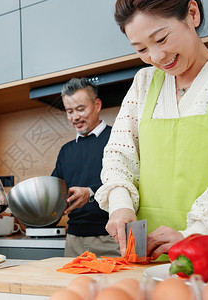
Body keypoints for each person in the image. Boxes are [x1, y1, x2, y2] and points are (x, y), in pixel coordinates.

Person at [95, 0, 208, 260]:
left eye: (161, 39)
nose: (156, 57)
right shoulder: (143, 83)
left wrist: (193, 233)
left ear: (192, 14)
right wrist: (120, 206)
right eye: (141, 49)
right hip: (149, 259)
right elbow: (119, 155)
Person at [52, 77, 120, 257]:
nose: (75, 117)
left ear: (97, 105)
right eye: (69, 111)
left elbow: (132, 181)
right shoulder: (66, 151)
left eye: (80, 109)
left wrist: (90, 192)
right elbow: (53, 192)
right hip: (73, 240)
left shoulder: (118, 139)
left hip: (111, 239)